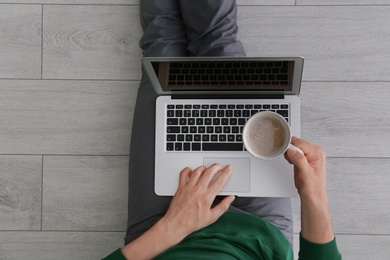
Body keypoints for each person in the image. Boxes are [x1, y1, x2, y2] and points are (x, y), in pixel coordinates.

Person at [103, 1, 342, 259]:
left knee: (162, 50)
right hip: (260, 234)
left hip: (158, 233)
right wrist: (314, 192)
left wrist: (174, 225)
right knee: (219, 46)